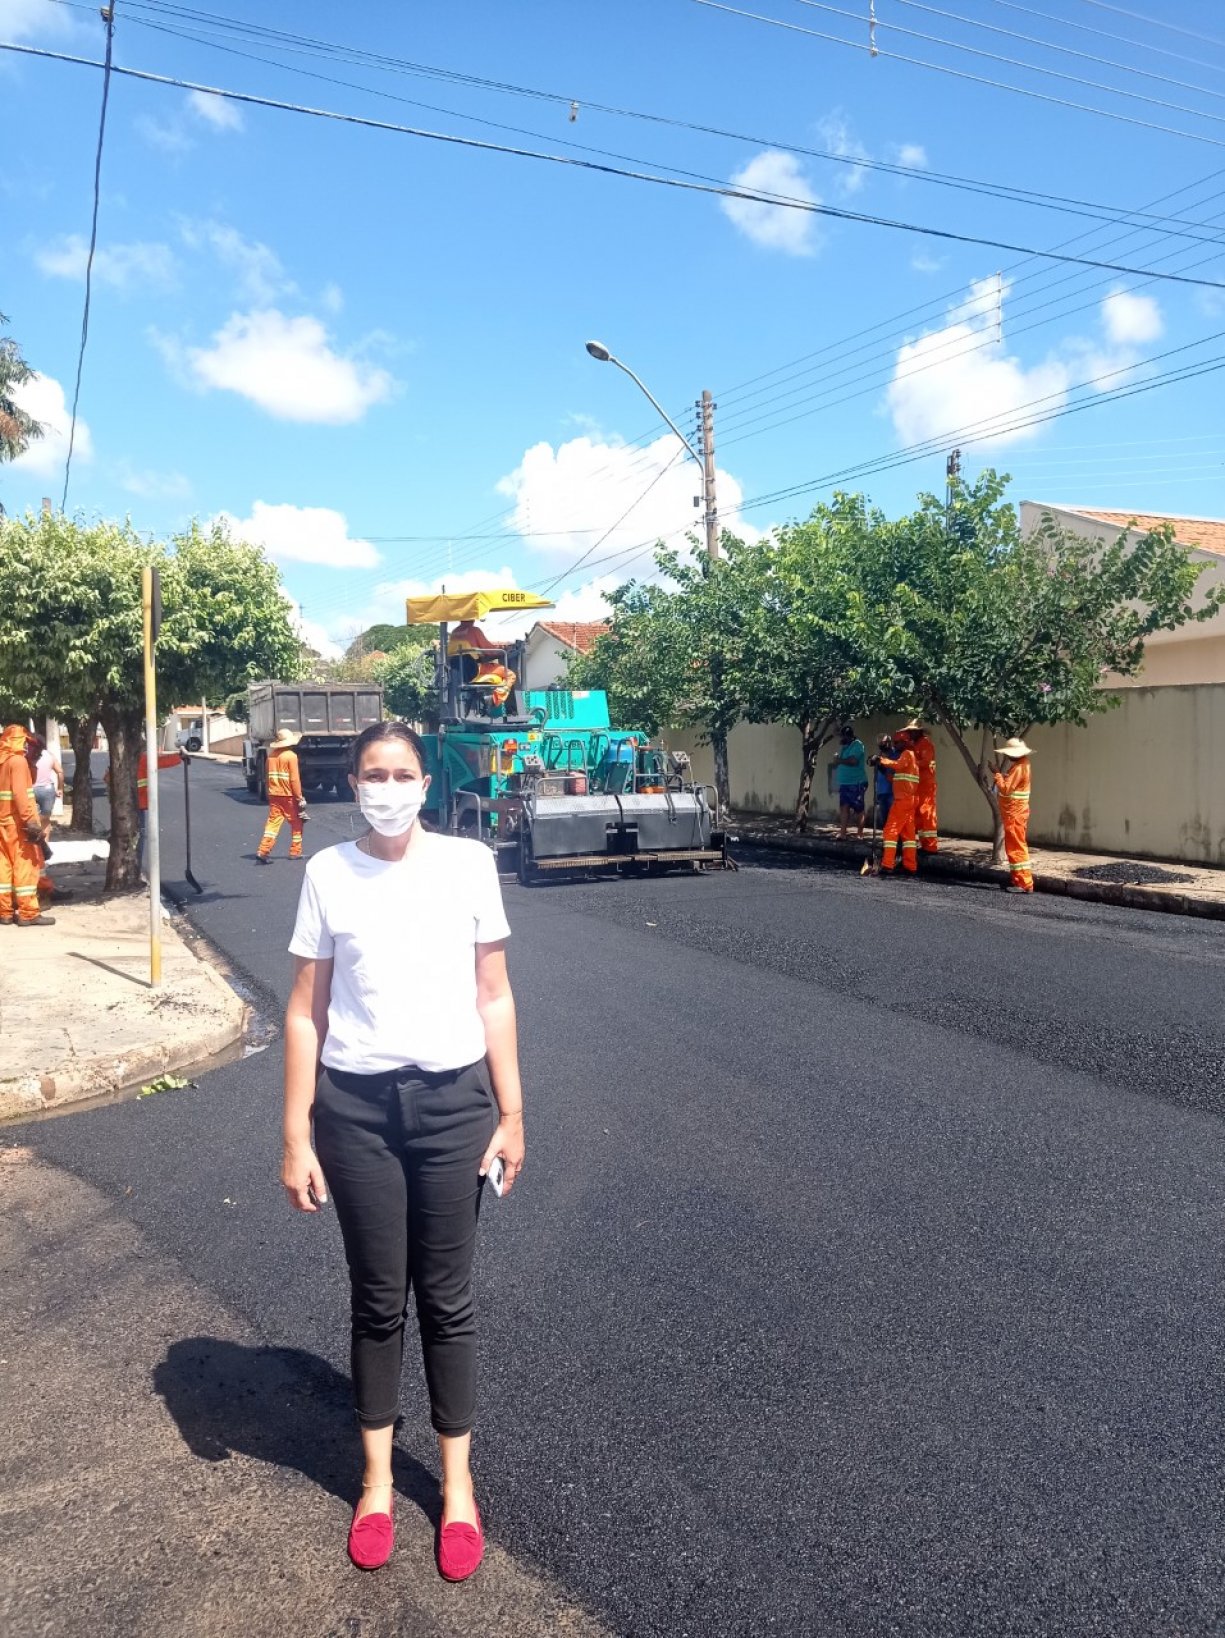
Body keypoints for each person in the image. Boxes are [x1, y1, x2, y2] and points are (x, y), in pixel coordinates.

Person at [281, 720, 524, 1580]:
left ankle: (457, 1490)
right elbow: (306, 1010)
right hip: (355, 1114)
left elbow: (492, 995)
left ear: (426, 781)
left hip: (455, 1106)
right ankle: (378, 1482)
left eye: (402, 773)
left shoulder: (466, 865)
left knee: (448, 1300)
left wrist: (512, 1111)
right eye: (373, 775)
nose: (388, 787)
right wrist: (295, 1131)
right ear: (354, 785)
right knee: (378, 1300)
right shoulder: (327, 874)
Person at [0, 723, 54, 926]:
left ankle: (4, 911)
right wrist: (32, 822)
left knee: (3, 868)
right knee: (26, 866)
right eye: (25, 742)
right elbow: (22, 796)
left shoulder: (2, 761)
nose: (26, 747)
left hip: (2, 824)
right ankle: (28, 913)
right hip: (18, 826)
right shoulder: (17, 762)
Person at [872, 727, 920, 876]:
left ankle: (887, 864)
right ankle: (910, 866)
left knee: (890, 831)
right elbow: (895, 778)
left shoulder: (907, 754)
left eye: (897, 742)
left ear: (904, 742)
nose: (895, 745)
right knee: (908, 835)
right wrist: (881, 766)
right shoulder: (910, 758)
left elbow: (897, 765)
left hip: (902, 801)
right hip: (909, 800)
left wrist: (881, 759)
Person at [257, 728, 307, 864]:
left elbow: (267, 778)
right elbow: (294, 780)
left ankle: (263, 851)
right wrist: (300, 798)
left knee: (272, 824)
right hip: (289, 796)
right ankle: (295, 852)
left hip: (274, 795)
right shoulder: (291, 756)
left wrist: (269, 792)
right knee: (297, 823)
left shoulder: (271, 757)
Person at [993, 737, 1034, 894]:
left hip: (1015, 814)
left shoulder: (1019, 767)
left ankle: (1024, 883)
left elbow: (1005, 789)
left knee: (1016, 848)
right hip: (1016, 813)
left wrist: (997, 774)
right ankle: (1020, 879)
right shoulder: (1023, 764)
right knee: (1016, 846)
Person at [136, 746, 182, 874]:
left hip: (123, 805)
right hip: (136, 805)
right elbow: (161, 761)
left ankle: (131, 868)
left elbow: (106, 778)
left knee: (129, 837)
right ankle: (135, 868)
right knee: (137, 837)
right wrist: (180, 756)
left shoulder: (120, 762)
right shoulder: (141, 760)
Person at [905, 718, 939, 854]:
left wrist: (910, 764)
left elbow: (925, 762)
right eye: (910, 731)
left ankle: (931, 846)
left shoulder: (925, 744)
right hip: (918, 784)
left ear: (919, 732)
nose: (910, 734)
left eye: (912, 731)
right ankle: (924, 844)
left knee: (927, 814)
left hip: (926, 785)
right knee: (919, 815)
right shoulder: (915, 744)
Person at [829, 724, 868, 841]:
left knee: (858, 809)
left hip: (857, 782)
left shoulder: (858, 745)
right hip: (845, 783)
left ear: (848, 736)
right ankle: (843, 833)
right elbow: (841, 762)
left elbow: (853, 761)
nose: (841, 739)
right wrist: (837, 761)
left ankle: (860, 834)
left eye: (843, 736)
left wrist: (839, 760)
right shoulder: (845, 746)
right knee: (844, 807)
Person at [873, 734, 896, 833]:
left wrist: (882, 768)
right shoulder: (879, 755)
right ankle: (887, 842)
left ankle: (896, 842)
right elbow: (876, 776)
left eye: (883, 742)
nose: (882, 745)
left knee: (893, 819)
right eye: (880, 743)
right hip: (881, 792)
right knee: (884, 819)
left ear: (889, 742)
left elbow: (892, 772)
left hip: (892, 791)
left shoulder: (896, 754)